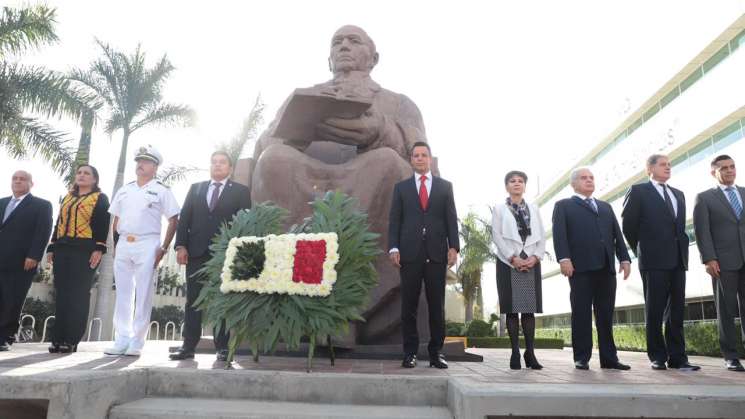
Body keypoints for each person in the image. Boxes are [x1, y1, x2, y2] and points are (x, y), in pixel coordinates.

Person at [251, 25, 428, 345]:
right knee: (274, 159)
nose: (343, 46)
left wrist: (381, 130)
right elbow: (264, 143)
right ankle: (294, 298)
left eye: (353, 40)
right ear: (328, 58)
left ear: (373, 57)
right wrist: (289, 131)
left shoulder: (398, 103)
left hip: (370, 177)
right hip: (308, 176)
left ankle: (345, 305)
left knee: (387, 163)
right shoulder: (302, 97)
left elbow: (420, 157)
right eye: (337, 42)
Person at [170, 151, 251, 361]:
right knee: (193, 301)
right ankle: (188, 346)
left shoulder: (241, 192)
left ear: (230, 168)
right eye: (214, 162)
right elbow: (184, 218)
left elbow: (244, 224)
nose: (217, 165)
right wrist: (180, 246)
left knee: (221, 300)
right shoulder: (196, 188)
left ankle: (222, 347)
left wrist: (239, 253)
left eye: (222, 162)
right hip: (195, 253)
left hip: (224, 255)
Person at [621, 154, 699, 371]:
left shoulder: (678, 194)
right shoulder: (638, 191)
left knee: (676, 310)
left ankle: (678, 358)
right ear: (650, 168)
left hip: (678, 259)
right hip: (653, 259)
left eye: (669, 165)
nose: (668, 168)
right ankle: (657, 356)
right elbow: (629, 226)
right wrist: (644, 246)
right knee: (654, 309)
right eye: (663, 164)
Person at [552, 167, 631, 370]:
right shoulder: (563, 206)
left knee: (605, 314)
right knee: (581, 313)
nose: (589, 181)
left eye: (591, 178)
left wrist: (625, 258)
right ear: (573, 184)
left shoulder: (605, 207)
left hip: (606, 267)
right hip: (580, 268)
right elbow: (559, 235)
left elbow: (617, 234)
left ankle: (609, 359)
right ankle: (581, 357)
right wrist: (564, 259)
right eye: (584, 178)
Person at [388, 141, 459, 369]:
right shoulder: (401, 188)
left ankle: (436, 353)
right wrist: (394, 247)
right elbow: (395, 220)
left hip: (437, 254)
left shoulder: (445, 187)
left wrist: (454, 247)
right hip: (409, 254)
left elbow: (451, 219)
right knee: (408, 306)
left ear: (430, 159)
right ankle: (410, 353)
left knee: (436, 306)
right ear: (411, 160)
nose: (419, 158)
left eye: (423, 155)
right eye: (416, 155)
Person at [105, 145, 179, 356]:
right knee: (123, 292)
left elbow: (174, 219)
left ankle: (137, 341)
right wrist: (117, 243)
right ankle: (121, 339)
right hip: (125, 243)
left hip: (148, 243)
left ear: (155, 167)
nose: (140, 164)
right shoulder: (125, 189)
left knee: (143, 292)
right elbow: (116, 219)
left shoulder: (162, 190)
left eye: (146, 161)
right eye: (139, 161)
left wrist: (163, 248)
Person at [46, 165, 110, 353]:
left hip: (84, 250)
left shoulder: (99, 198)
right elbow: (59, 222)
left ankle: (71, 339)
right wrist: (52, 245)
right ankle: (57, 339)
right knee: (62, 294)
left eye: (86, 173)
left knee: (79, 295)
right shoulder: (68, 197)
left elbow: (102, 224)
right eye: (79, 173)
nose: (81, 176)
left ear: (94, 180)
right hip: (63, 248)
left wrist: (98, 249)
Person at [693, 154, 745, 372]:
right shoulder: (705, 198)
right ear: (713, 172)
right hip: (723, 261)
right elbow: (702, 231)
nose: (730, 171)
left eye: (732, 167)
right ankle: (731, 356)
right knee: (726, 309)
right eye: (724, 168)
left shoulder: (744, 192)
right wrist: (709, 258)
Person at [491, 170, 545, 370]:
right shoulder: (499, 209)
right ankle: (514, 352)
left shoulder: (534, 207)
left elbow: (542, 235)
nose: (516, 184)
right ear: (507, 186)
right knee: (512, 311)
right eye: (512, 181)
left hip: (531, 261)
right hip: (508, 263)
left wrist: (536, 256)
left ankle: (530, 353)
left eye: (520, 181)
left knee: (529, 311)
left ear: (524, 185)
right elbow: (496, 235)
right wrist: (512, 258)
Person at [0, 171, 53, 351]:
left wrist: (35, 256)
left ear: (31, 183)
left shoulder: (41, 205)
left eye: (22, 179)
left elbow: (43, 232)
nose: (17, 181)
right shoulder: (2, 202)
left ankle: (6, 337)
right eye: (14, 178)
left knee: (13, 299)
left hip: (22, 261)